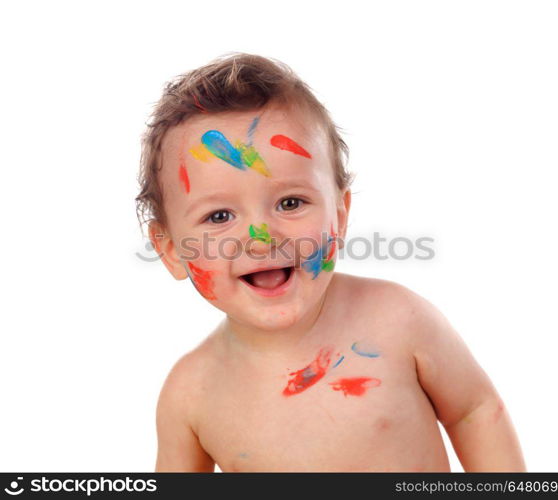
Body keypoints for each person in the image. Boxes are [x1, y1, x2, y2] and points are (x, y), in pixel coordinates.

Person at [135, 53, 525, 472]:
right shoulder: (191, 393)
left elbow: (475, 411)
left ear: (339, 215)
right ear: (172, 250)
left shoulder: (398, 320)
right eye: (219, 216)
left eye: (290, 202)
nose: (261, 238)